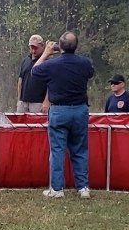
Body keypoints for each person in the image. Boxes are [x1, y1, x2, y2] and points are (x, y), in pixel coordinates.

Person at [31, 30, 96, 198]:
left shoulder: (52, 65)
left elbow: (34, 72)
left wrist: (45, 53)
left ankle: (57, 189)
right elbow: (90, 73)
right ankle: (83, 188)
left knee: (58, 150)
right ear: (76, 47)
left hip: (59, 111)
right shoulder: (85, 63)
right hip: (80, 110)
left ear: (59, 46)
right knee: (80, 149)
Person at [16, 35, 49, 114]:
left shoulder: (46, 62)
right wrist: (18, 100)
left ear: (42, 46)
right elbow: (20, 81)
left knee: (36, 124)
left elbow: (50, 84)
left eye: (36, 48)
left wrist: (46, 101)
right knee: (19, 125)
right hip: (23, 102)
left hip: (38, 103)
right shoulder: (26, 60)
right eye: (31, 47)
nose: (33, 50)